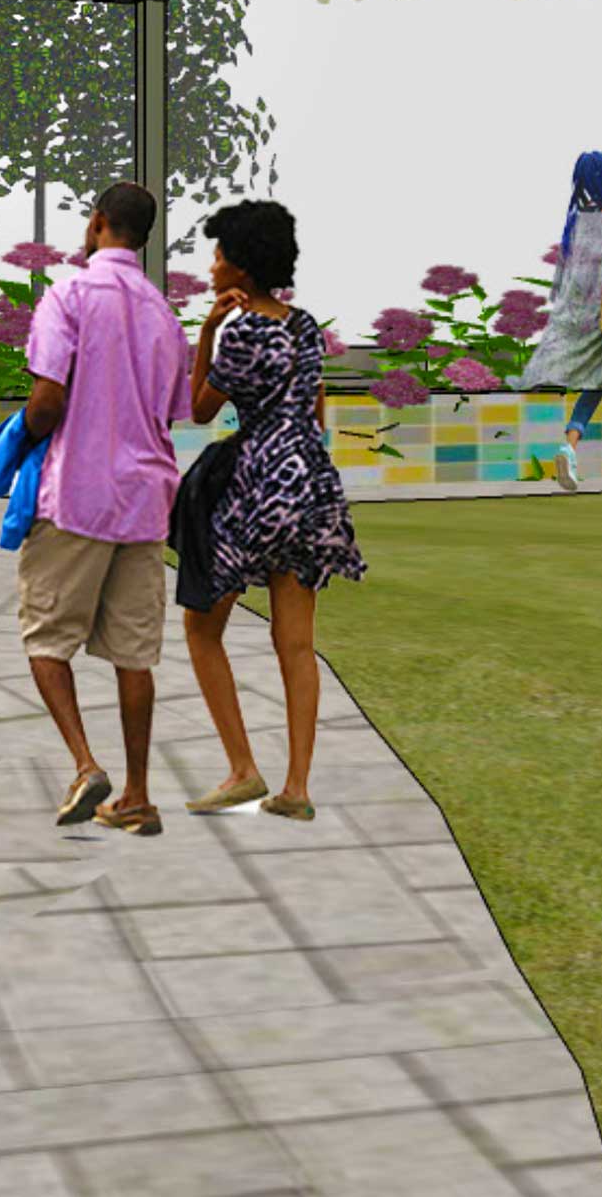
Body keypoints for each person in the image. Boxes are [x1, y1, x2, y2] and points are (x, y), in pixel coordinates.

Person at [180, 200, 367, 822]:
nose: (211, 265)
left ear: (241, 264)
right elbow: (315, 415)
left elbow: (201, 410)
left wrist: (205, 333)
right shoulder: (306, 326)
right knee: (296, 642)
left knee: (203, 628)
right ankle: (296, 789)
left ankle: (242, 769)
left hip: (256, 485)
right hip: (310, 485)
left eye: (218, 254)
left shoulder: (241, 332)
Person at [17, 181, 192, 838]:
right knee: (134, 655)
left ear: (96, 225)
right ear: (143, 237)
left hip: (79, 496)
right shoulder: (162, 315)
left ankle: (87, 765)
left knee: (45, 637)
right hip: (145, 501)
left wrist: (21, 445)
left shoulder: (67, 296)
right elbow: (173, 411)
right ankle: (139, 796)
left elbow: (47, 399)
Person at [510, 150, 602, 490]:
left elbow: (565, 278)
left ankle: (570, 445)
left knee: (596, 383)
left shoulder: (576, 223)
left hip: (585, 319)